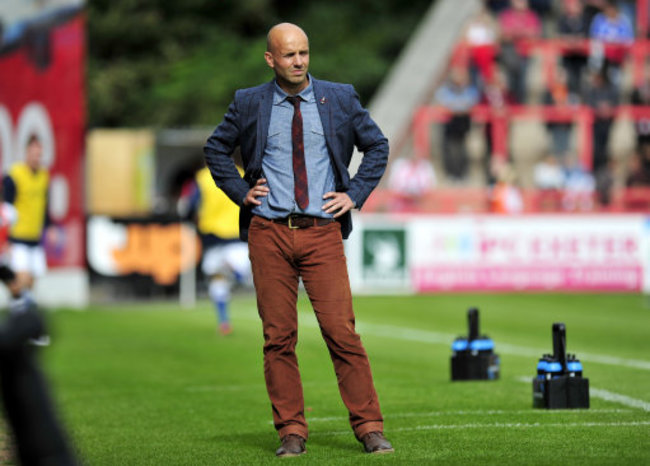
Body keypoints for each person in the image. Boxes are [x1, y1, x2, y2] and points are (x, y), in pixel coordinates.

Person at [203, 23, 392, 457]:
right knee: (278, 337)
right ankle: (291, 431)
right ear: (270, 59)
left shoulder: (339, 97)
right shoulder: (249, 102)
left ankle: (369, 428)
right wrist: (239, 191)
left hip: (321, 231)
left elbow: (377, 145)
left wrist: (355, 194)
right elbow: (216, 148)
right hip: (267, 232)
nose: (299, 61)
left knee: (342, 332)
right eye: (289, 55)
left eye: (304, 53)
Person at [181, 164, 251, 335]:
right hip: (235, 232)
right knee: (245, 275)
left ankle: (224, 322)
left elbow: (191, 204)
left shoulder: (202, 178)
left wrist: (190, 218)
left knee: (217, 280)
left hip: (211, 235)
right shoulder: (241, 173)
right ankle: (233, 272)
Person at [3, 135, 53, 300]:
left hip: (34, 236)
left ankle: (23, 309)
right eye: (34, 153)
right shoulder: (15, 175)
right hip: (17, 236)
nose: (36, 157)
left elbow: (44, 205)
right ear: (26, 152)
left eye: (39, 154)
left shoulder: (43, 176)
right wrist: (5, 238)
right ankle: (21, 310)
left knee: (31, 281)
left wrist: (49, 226)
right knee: (20, 278)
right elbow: (6, 208)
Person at [435, 66, 479, 182]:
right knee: (449, 149)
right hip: (450, 123)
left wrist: (455, 107)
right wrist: (458, 107)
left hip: (463, 123)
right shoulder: (445, 91)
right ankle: (452, 173)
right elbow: (443, 103)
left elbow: (470, 103)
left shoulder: (470, 90)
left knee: (463, 148)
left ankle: (463, 173)